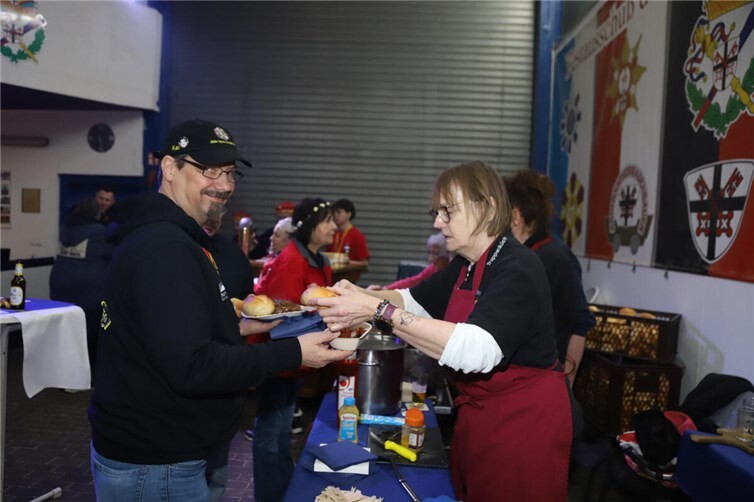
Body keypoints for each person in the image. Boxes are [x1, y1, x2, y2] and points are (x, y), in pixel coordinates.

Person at [87, 119, 350, 501]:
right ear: (169, 168)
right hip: (156, 462)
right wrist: (295, 352)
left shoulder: (176, 238)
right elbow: (192, 366)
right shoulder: (166, 247)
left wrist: (233, 324)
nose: (224, 185)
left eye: (229, 173)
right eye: (209, 170)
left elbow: (162, 333)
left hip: (161, 453)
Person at [312, 161, 573, 501]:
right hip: (481, 416)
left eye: (448, 212)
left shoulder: (518, 266)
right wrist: (354, 295)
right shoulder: (467, 264)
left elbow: (478, 350)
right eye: (436, 212)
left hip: (523, 424)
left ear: (487, 207)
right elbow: (414, 301)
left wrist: (376, 310)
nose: (438, 222)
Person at [252, 197, 337, 502]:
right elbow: (281, 321)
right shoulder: (291, 262)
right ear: (309, 225)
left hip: (297, 359)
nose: (334, 227)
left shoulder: (318, 260)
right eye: (327, 221)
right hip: (281, 359)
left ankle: (283, 493)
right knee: (269, 437)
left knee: (282, 433)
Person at [505, 169, 595, 386]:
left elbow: (580, 323)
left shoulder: (556, 258)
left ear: (515, 216)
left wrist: (566, 381)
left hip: (544, 380)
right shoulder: (520, 254)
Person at [201, 207, 256, 501]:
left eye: (219, 210)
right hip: (182, 388)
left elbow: (245, 306)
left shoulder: (233, 256)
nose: (213, 216)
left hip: (224, 380)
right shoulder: (171, 249)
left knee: (216, 475)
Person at [49, 198, 114, 376]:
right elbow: (117, 251)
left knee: (66, 334)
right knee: (90, 336)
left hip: (61, 286)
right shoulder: (100, 232)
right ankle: (86, 377)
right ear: (96, 213)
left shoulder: (65, 228)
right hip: (89, 291)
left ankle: (63, 375)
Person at [367, 232, 450, 290]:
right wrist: (386, 288)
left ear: (447, 255)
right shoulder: (433, 268)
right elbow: (414, 281)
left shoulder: (452, 273)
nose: (430, 259)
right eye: (430, 253)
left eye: (435, 254)